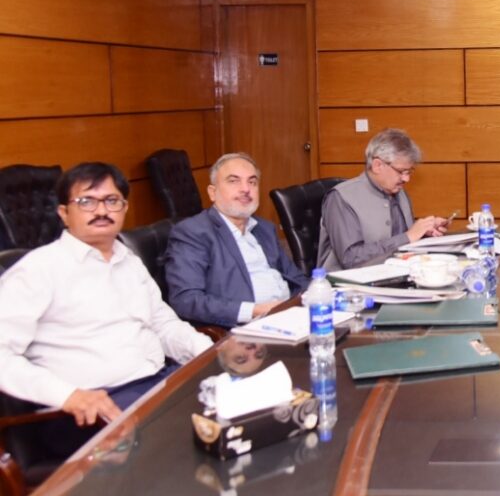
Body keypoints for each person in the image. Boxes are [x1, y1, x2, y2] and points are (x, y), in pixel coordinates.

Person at [0, 163, 212, 445]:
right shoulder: (38, 270)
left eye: (112, 200)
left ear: (124, 208)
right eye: (86, 201)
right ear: (63, 213)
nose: (101, 210)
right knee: (192, 441)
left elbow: (163, 324)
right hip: (90, 408)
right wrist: (68, 396)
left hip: (157, 383)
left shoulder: (129, 261)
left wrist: (209, 353)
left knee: (242, 413)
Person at [165, 153, 308, 329]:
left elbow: (296, 278)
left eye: (252, 182)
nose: (245, 189)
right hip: (248, 328)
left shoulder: (264, 228)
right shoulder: (193, 233)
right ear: (212, 192)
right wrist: (254, 310)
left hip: (291, 316)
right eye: (234, 181)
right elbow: (186, 300)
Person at [317, 128, 448, 270]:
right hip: (348, 281)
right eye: (401, 172)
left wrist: (424, 232)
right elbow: (351, 258)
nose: (406, 179)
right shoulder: (340, 198)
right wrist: (408, 236)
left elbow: (402, 240)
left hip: (393, 274)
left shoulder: (400, 192)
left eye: (409, 172)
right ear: (377, 165)